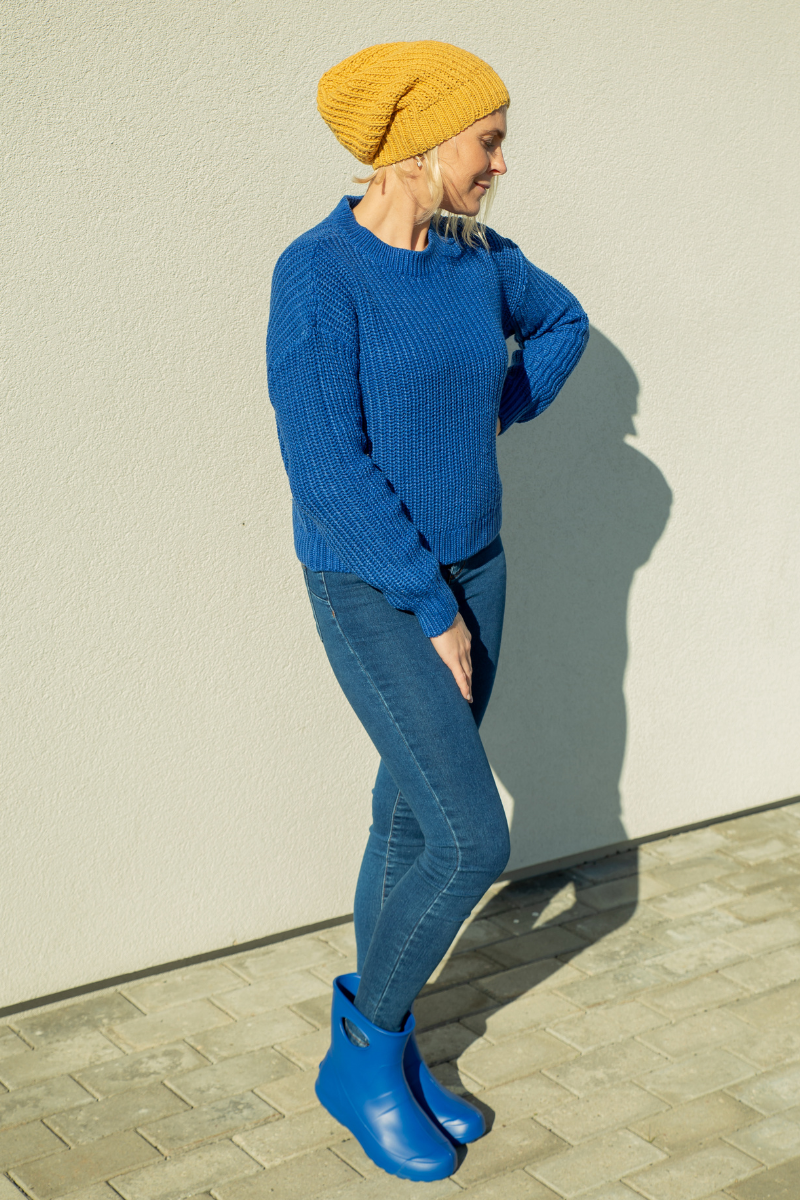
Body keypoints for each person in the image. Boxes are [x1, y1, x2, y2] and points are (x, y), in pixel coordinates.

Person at [266, 40, 589, 1182]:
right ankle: (362, 1058)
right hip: (371, 583)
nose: (500, 164)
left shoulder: (476, 259)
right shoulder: (317, 274)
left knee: (408, 818)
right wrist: (426, 603)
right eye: (487, 142)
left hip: (477, 568)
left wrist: (494, 407)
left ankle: (390, 1057)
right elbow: (325, 466)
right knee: (469, 837)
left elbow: (563, 324)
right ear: (418, 141)